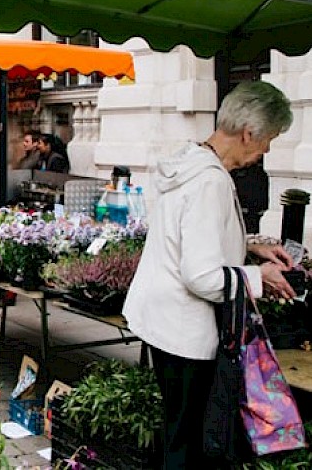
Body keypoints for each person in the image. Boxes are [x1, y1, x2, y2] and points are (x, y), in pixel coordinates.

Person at [122, 81, 297, 469]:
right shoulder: (211, 180)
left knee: (178, 432)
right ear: (249, 133)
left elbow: (190, 234)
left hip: (162, 319)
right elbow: (201, 277)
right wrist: (259, 277)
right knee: (187, 443)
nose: (267, 150)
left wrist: (249, 244)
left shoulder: (191, 160)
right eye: (269, 139)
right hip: (184, 330)